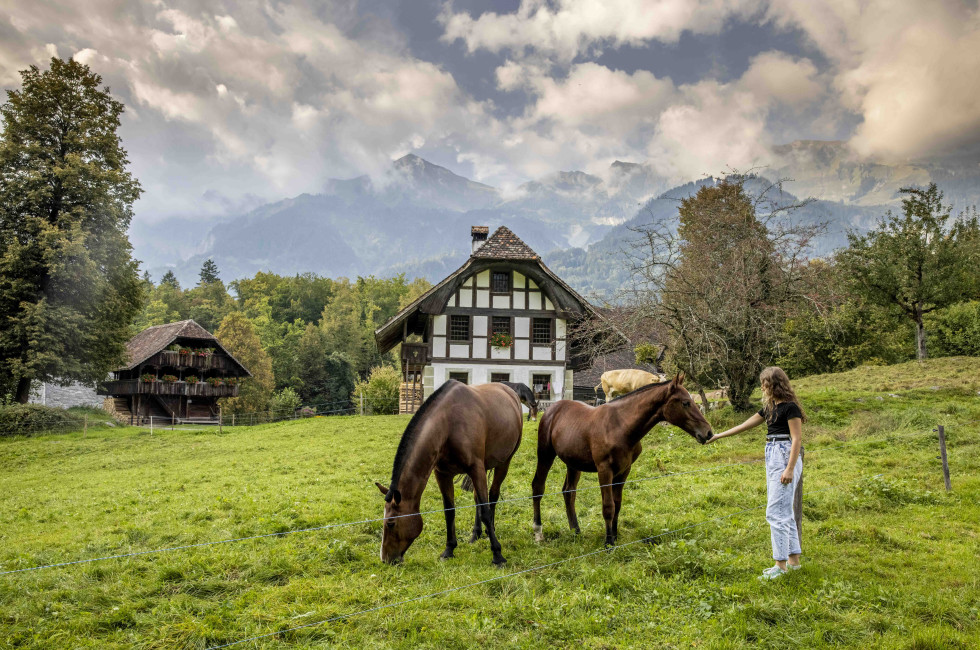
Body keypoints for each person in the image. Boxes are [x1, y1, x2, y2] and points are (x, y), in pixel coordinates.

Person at [707, 366, 804, 580]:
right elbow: (745, 425)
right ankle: (794, 560)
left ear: (773, 384)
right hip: (772, 452)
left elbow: (796, 439)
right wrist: (718, 436)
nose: (762, 387)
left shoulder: (790, 407)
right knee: (783, 509)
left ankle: (780, 565)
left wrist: (789, 468)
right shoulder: (770, 407)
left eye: (764, 383)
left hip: (784, 453)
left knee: (775, 511)